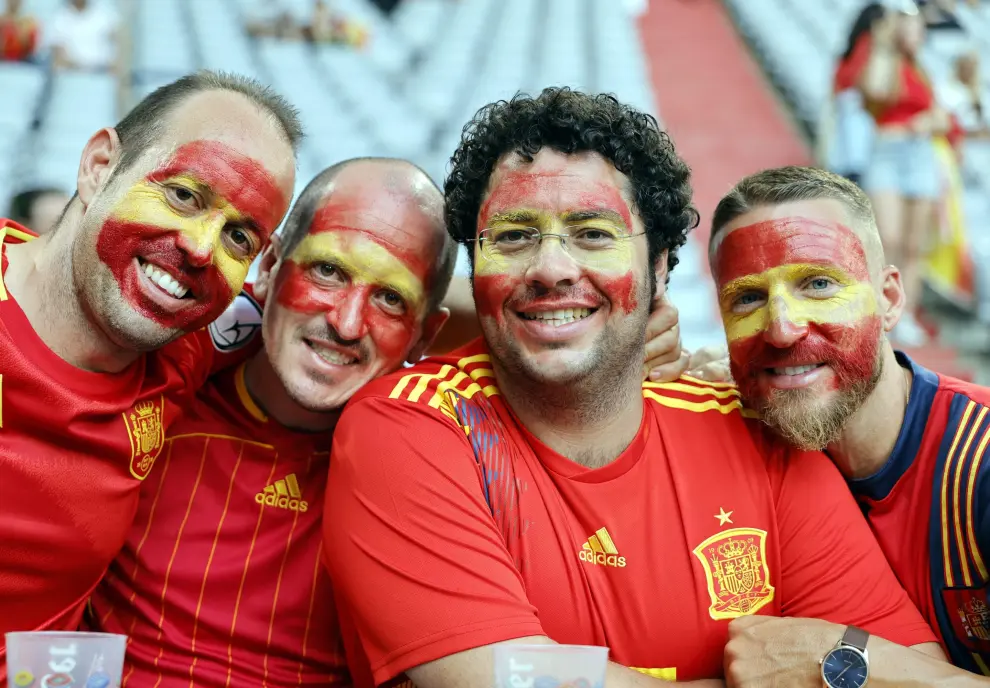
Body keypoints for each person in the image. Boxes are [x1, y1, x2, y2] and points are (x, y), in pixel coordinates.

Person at [322, 88, 939, 688]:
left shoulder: (756, 436)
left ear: (661, 266)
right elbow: (508, 675)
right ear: (474, 265)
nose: (552, 267)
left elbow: (910, 674)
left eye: (593, 233)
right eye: (512, 236)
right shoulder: (411, 427)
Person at [84, 158, 456, 687]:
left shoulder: (439, 473)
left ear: (424, 335)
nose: (346, 324)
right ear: (270, 263)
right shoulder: (150, 391)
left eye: (391, 299)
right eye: (328, 271)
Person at [0, 70, 298, 676]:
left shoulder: (183, 346)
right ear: (99, 164)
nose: (199, 247)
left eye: (238, 236)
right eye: (185, 195)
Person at [703, 165, 990, 684]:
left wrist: (843, 663)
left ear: (890, 299)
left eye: (818, 284)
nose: (782, 329)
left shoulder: (982, 458)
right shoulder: (729, 435)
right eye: (748, 297)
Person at [848, 0, 948, 344]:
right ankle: (878, 309)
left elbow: (942, 114)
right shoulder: (882, 60)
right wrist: (886, 41)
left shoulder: (922, 67)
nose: (916, 32)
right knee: (886, 238)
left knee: (913, 245)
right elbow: (875, 91)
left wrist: (928, 121)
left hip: (920, 154)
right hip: (888, 155)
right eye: (911, 25)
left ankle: (906, 314)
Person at [49, 0, 119, 72]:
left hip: (103, 73)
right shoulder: (59, 18)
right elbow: (59, 59)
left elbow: (120, 45)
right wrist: (84, 67)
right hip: (72, 75)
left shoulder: (106, 14)